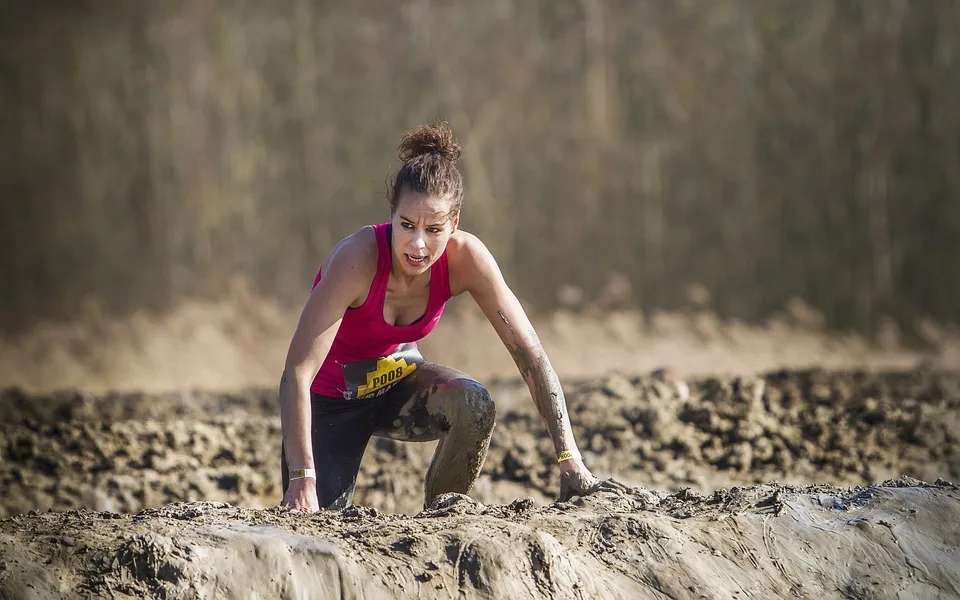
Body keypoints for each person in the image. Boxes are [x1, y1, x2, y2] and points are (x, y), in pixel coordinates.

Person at [279, 121, 609, 512]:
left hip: (397, 383)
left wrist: (568, 457)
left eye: (433, 229)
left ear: (454, 224)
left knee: (474, 403)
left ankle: (442, 518)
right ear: (391, 215)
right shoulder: (357, 260)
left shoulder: (466, 259)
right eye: (406, 225)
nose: (417, 244)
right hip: (331, 402)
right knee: (320, 524)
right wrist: (303, 478)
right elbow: (296, 373)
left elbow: (530, 354)